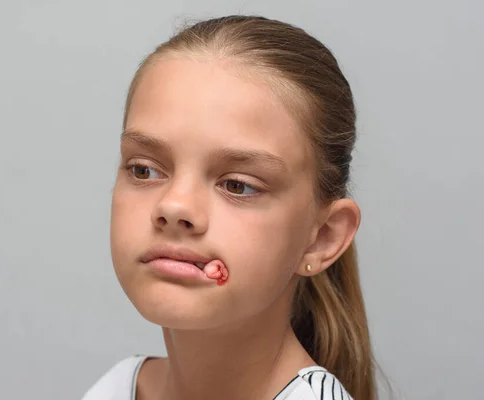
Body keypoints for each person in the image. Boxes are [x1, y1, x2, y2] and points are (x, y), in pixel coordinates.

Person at [83, 14, 376, 400]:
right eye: (144, 169)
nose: (174, 205)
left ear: (322, 237)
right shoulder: (116, 388)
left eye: (237, 185)